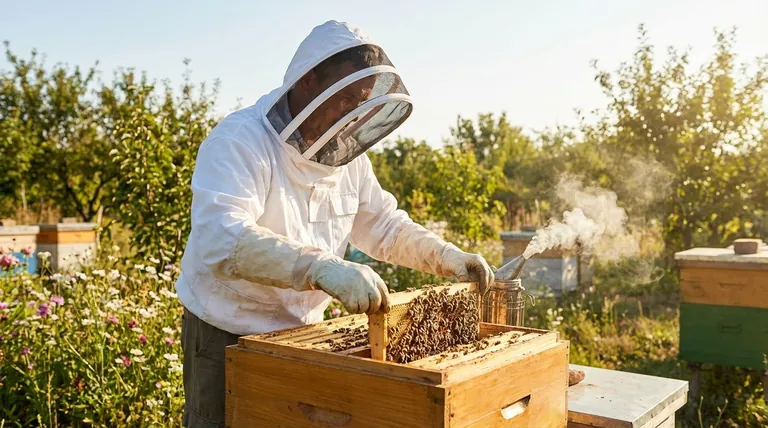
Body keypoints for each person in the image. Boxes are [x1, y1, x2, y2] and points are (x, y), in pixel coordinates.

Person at [176, 20, 494, 427]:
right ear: (308, 82)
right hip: (226, 332)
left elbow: (383, 224)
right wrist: (320, 267)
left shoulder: (348, 159)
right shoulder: (238, 142)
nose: (352, 115)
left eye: (360, 101)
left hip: (305, 336)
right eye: (345, 99)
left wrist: (445, 257)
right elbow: (222, 238)